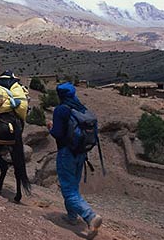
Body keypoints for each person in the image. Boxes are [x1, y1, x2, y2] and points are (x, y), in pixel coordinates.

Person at [47, 82, 102, 234]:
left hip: (66, 153)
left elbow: (57, 134)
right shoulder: (81, 108)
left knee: (68, 190)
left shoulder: (61, 110)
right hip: (81, 154)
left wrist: (50, 128)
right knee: (73, 186)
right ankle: (72, 216)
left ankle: (90, 216)